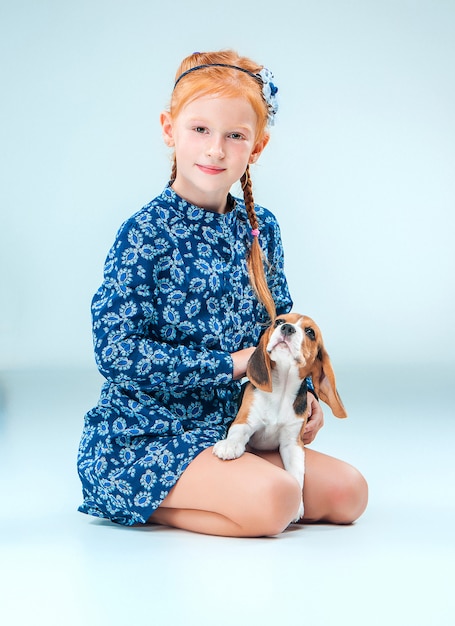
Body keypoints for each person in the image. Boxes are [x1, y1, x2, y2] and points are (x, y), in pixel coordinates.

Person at [77, 50, 368, 537]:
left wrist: (305, 392)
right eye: (200, 130)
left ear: (257, 146)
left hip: (234, 427)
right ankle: (122, 491)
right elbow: (115, 352)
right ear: (169, 129)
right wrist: (231, 364)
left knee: (349, 494)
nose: (215, 149)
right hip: (147, 433)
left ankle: (232, 491)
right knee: (277, 502)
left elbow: (283, 331)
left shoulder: (261, 228)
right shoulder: (145, 233)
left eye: (235, 135)